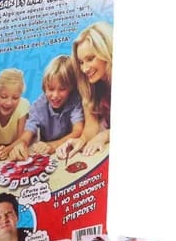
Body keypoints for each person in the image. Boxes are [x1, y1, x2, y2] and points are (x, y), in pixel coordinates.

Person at [8, 55, 84, 161]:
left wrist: (53, 145)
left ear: (71, 87)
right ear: (44, 87)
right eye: (51, 89)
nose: (55, 95)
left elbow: (78, 131)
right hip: (48, 155)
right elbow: (26, 136)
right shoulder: (38, 106)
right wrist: (17, 146)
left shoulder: (75, 100)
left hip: (70, 151)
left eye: (62, 89)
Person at [56, 22, 113, 159]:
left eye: (90, 59)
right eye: (81, 62)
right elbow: (91, 126)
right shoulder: (90, 86)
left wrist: (105, 135)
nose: (84, 69)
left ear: (106, 52)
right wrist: (81, 140)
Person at [0, 68, 30, 161]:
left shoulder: (22, 106)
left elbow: (21, 140)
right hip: (3, 151)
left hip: (18, 149)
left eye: (15, 98)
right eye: (3, 97)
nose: (9, 103)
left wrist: (7, 150)